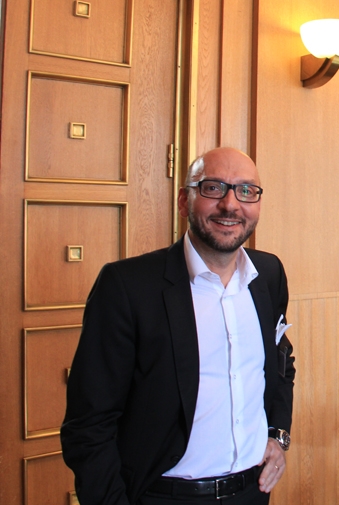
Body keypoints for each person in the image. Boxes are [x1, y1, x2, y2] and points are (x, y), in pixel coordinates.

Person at [61, 147, 295, 505]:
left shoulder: (268, 275)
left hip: (252, 493)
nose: (231, 204)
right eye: (213, 188)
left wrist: (278, 436)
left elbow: (280, 366)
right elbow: (88, 425)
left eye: (246, 191)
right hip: (164, 495)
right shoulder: (127, 286)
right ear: (184, 201)